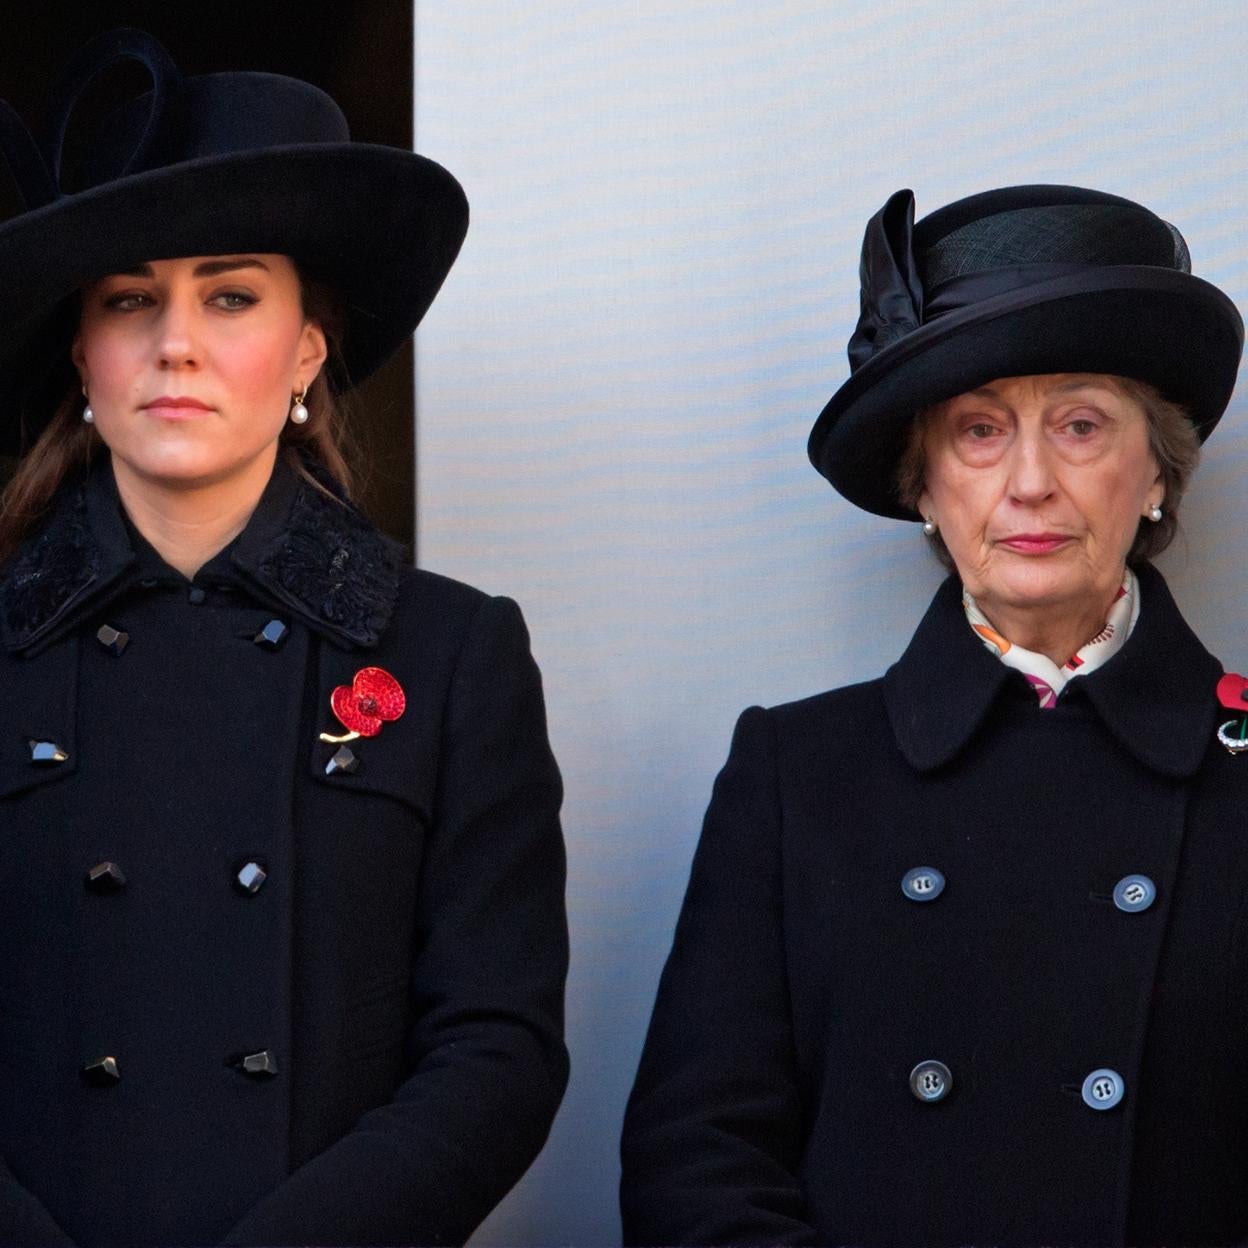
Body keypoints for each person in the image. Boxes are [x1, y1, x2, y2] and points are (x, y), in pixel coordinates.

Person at [0, 29, 567, 1248]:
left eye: (232, 293)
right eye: (129, 299)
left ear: (309, 346)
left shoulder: (453, 653)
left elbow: (497, 1047)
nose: (177, 343)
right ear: (82, 355)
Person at [620, 184, 1246, 1246]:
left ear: (1155, 474)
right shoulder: (796, 771)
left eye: (1082, 426)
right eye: (980, 432)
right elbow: (698, 1161)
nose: (1032, 484)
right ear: (925, 484)